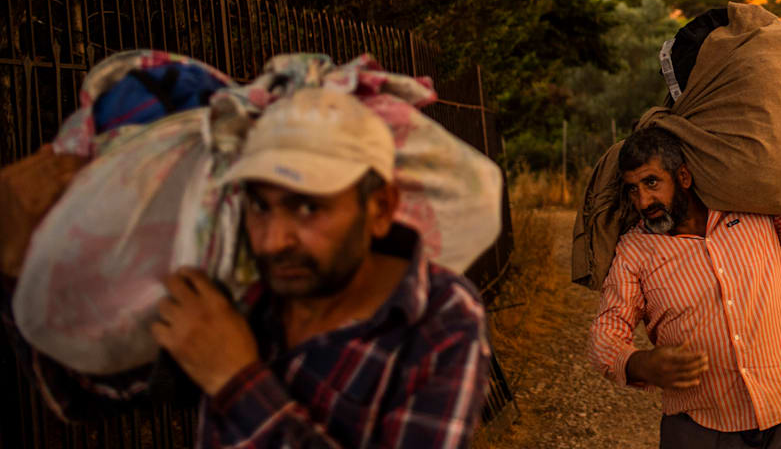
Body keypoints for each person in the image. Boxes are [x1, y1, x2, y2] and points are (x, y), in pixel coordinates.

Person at [1, 87, 491, 448]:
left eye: (306, 209)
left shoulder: (441, 320)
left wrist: (236, 380)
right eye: (260, 207)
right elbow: (87, 394)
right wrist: (18, 260)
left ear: (380, 208)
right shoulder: (244, 285)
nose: (274, 240)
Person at [588, 94, 781, 449]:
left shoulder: (753, 213)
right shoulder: (634, 251)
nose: (642, 202)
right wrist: (640, 364)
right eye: (632, 190)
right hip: (700, 429)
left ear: (683, 176)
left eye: (652, 183)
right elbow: (604, 336)